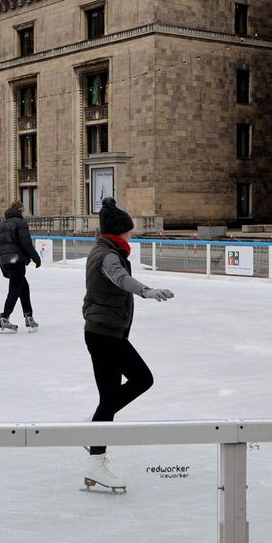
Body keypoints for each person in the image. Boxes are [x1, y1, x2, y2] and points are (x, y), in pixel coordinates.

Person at [82, 197, 174, 493]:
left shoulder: (104, 250)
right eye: (129, 231)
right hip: (105, 334)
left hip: (105, 333)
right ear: (119, 232)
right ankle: (93, 436)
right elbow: (120, 279)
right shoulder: (108, 256)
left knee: (110, 397)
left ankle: (94, 441)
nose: (131, 235)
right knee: (140, 380)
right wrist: (146, 291)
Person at [0, 200, 41, 333]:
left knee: (23, 288)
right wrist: (36, 258)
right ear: (20, 210)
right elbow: (26, 243)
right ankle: (5, 317)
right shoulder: (21, 223)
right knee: (15, 289)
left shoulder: (2, 225)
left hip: (7, 261)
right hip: (16, 261)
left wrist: (3, 266)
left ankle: (29, 316)